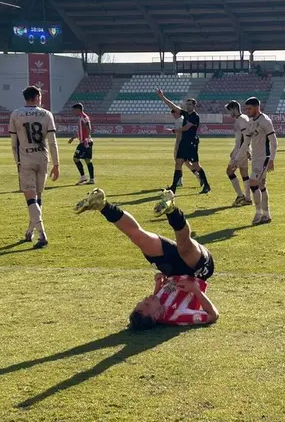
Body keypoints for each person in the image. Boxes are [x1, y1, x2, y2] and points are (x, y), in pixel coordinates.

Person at [74, 188, 218, 330]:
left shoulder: (156, 306)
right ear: (156, 316)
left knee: (139, 238)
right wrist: (196, 290)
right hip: (197, 272)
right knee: (184, 248)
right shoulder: (177, 316)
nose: (147, 299)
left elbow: (164, 297)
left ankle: (103, 205)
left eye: (142, 301)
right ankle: (172, 210)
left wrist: (158, 286)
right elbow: (213, 315)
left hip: (173, 272)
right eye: (147, 304)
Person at [8, 85, 60, 249]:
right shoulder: (46, 114)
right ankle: (30, 231)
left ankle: (42, 235)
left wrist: (18, 162)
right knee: (37, 198)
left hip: (26, 159)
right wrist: (57, 164)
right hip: (43, 158)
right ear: (37, 96)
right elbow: (52, 142)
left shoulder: (16, 114)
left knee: (31, 199)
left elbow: (13, 144)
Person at [156, 90, 211, 194]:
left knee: (196, 165)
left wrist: (172, 131)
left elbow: (186, 128)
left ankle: (207, 185)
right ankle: (173, 187)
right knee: (178, 163)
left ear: (194, 105)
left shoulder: (195, 116)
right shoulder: (185, 113)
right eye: (187, 104)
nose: (188, 106)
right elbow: (173, 106)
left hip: (191, 143)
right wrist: (162, 97)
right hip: (184, 142)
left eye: (190, 104)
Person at [233, 97, 277, 225]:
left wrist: (272, 159)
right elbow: (246, 143)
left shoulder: (265, 121)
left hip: (264, 158)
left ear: (257, 107)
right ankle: (266, 215)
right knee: (261, 186)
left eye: (249, 108)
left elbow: (274, 142)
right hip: (256, 159)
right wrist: (236, 160)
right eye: (246, 108)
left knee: (253, 184)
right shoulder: (251, 122)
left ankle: (258, 213)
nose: (247, 111)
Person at [225, 100, 252, 206]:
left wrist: (242, 152)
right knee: (244, 173)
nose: (229, 113)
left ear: (235, 109)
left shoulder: (241, 120)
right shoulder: (242, 119)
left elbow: (246, 138)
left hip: (241, 151)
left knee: (229, 171)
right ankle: (248, 199)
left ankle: (240, 196)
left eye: (229, 110)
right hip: (242, 150)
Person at [169, 109, 202, 188]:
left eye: (174, 114)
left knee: (181, 162)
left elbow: (180, 134)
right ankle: (196, 176)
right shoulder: (182, 119)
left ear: (177, 113)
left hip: (182, 144)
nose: (173, 116)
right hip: (185, 143)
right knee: (186, 162)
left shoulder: (179, 121)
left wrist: (177, 145)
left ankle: (197, 176)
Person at [68, 103, 94, 185]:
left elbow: (89, 128)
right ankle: (91, 179)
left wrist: (86, 138)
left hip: (85, 142)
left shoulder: (84, 117)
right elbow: (81, 131)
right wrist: (73, 137)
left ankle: (83, 177)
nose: (73, 112)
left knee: (76, 158)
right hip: (86, 141)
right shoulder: (81, 118)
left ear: (78, 109)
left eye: (74, 110)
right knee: (87, 160)